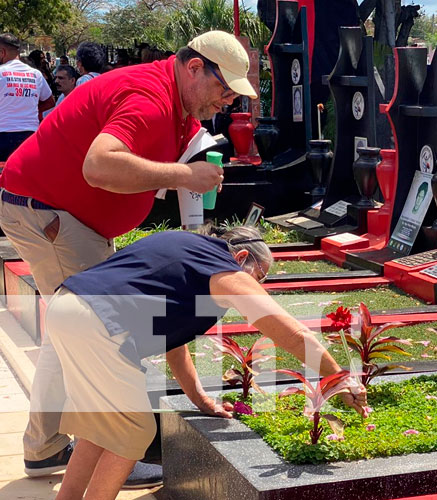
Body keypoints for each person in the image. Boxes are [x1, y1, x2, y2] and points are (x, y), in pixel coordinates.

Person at [0, 30, 258, 487]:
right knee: (92, 328)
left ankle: (46, 446)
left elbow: (164, 315)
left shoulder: (177, 103)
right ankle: (93, 445)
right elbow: (99, 166)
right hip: (52, 214)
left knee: (76, 328)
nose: (228, 100)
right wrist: (187, 174)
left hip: (68, 217)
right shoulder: (149, 97)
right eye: (224, 88)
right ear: (194, 66)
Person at [43, 227, 368, 499]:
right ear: (242, 258)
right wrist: (339, 378)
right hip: (98, 323)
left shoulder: (189, 248)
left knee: (100, 426)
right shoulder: (224, 269)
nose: (259, 287)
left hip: (66, 306)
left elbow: (174, 343)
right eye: (260, 278)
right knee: (134, 432)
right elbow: (294, 335)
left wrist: (199, 399)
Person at [0, 33, 55, 161]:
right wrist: (32, 110)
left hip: (3, 135)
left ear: (2, 52)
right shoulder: (35, 74)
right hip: (30, 135)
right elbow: (50, 101)